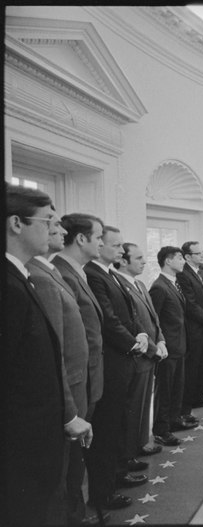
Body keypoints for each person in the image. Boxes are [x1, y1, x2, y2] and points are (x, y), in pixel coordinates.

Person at [3, 185, 68, 525]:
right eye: (47, 221)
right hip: (22, 445)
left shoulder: (20, 276)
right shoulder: (9, 285)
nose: (56, 230)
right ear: (16, 223)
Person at [26, 211, 95, 525]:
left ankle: (76, 514)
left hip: (78, 384)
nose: (59, 230)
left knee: (74, 468)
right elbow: (56, 350)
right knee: (65, 471)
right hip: (68, 389)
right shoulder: (39, 276)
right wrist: (69, 410)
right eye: (51, 224)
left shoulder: (50, 270)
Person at [84, 226, 149, 512]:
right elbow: (108, 319)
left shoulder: (109, 274)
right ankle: (104, 493)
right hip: (113, 360)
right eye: (115, 244)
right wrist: (132, 342)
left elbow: (129, 313)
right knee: (108, 429)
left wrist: (140, 334)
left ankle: (119, 475)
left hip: (125, 357)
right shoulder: (93, 274)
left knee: (120, 422)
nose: (120, 250)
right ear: (99, 246)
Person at [52, 213, 108, 523]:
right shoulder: (62, 274)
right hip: (77, 386)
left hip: (89, 382)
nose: (101, 241)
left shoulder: (76, 272)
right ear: (82, 239)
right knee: (71, 469)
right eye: (98, 236)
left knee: (77, 466)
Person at [114, 243, 166, 478]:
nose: (144, 261)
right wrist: (153, 349)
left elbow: (153, 319)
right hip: (140, 356)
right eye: (138, 258)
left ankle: (139, 444)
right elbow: (135, 325)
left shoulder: (140, 284)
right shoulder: (120, 285)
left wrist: (162, 340)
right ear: (123, 261)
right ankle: (128, 453)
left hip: (151, 352)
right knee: (132, 409)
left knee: (144, 406)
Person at [149, 246, 187, 448]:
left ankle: (173, 420)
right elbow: (153, 320)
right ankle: (161, 430)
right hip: (168, 348)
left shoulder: (173, 283)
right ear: (168, 261)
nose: (183, 261)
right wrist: (160, 344)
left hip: (179, 345)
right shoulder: (159, 286)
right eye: (180, 258)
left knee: (175, 387)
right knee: (164, 390)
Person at [177, 241, 203, 419]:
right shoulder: (183, 275)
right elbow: (191, 304)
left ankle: (202, 394)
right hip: (195, 326)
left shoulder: (201, 271)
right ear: (188, 257)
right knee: (194, 365)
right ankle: (194, 397)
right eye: (198, 253)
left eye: (202, 252)